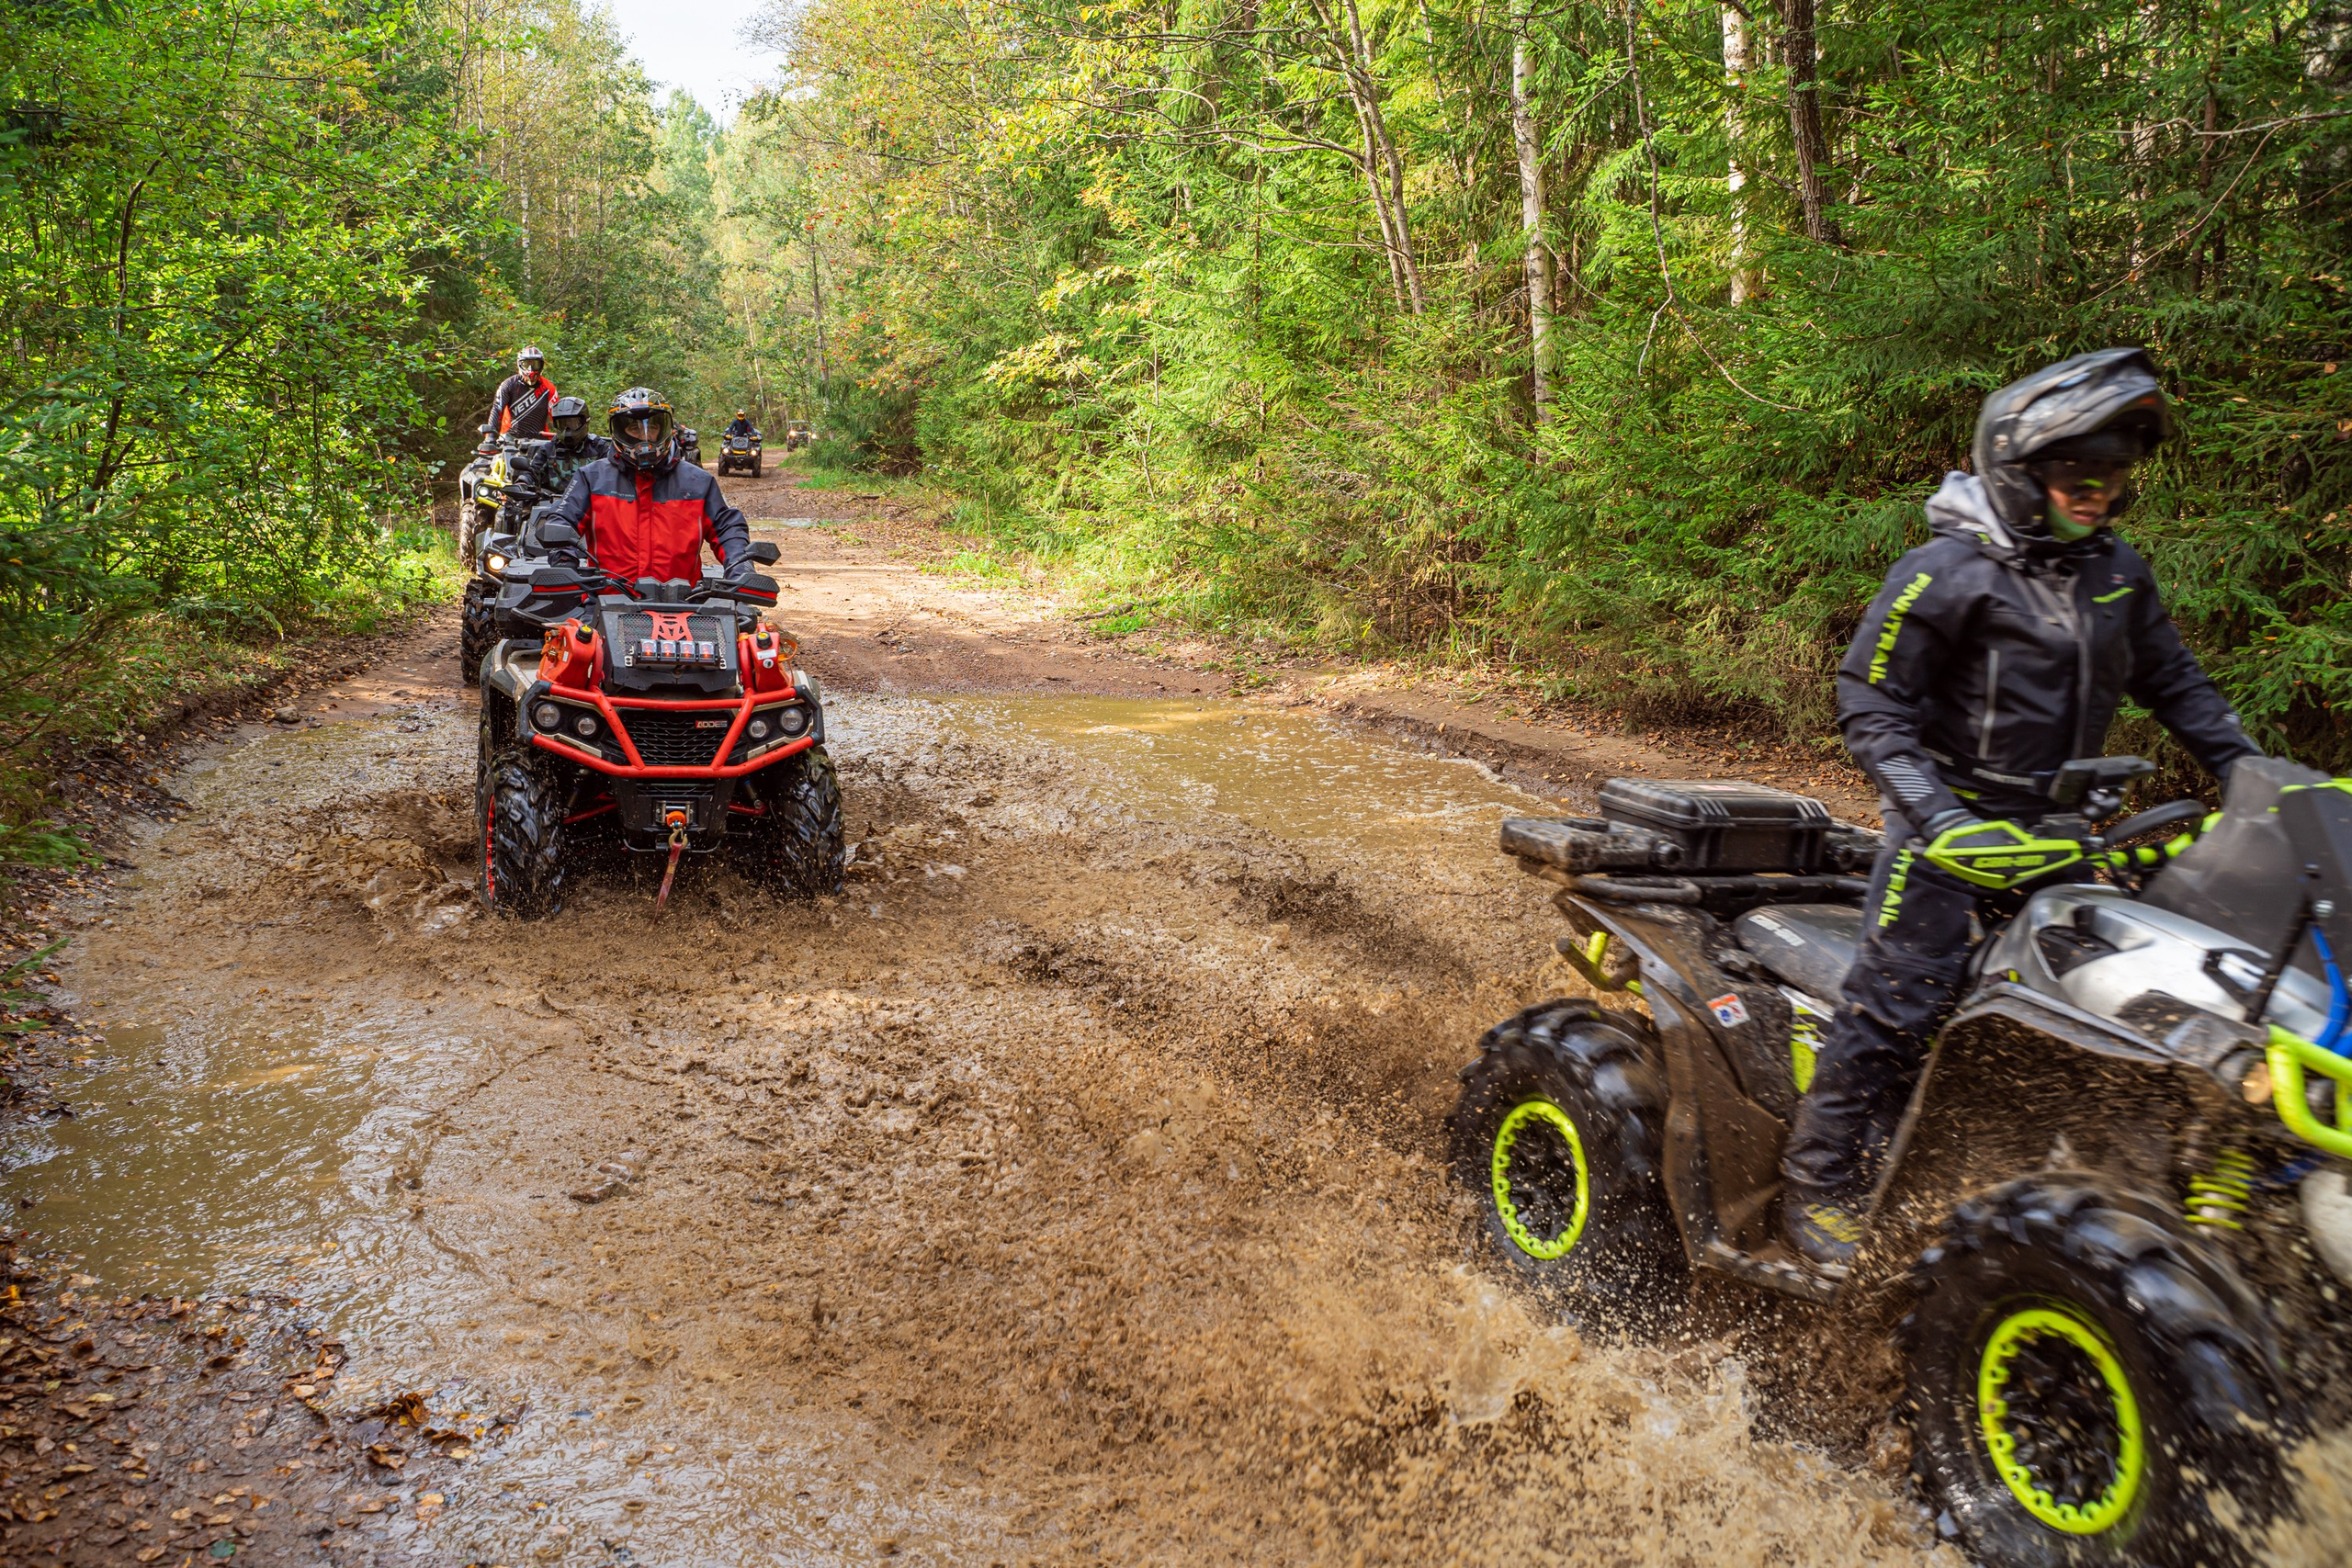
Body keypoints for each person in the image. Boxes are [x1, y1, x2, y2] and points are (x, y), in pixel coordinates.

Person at [1780, 346, 2262, 1270]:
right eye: (2079, 472)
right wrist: (1939, 820)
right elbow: (1870, 705)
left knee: (2100, 1013)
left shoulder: (2116, 573)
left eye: (2116, 474)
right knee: (1897, 999)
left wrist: (2259, 779)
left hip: (2062, 834)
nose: (2099, 490)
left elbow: (2181, 690)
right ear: (2018, 469)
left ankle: (2051, 1192)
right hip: (1946, 832)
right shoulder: (1946, 570)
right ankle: (1821, 1182)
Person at [541, 387, 752, 585]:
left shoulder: (698, 482)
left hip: (686, 606)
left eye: (652, 427)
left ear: (664, 428)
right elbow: (562, 521)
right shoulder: (591, 478)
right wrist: (564, 564)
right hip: (606, 603)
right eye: (634, 428)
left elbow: (727, 529)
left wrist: (741, 569)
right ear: (620, 432)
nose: (645, 436)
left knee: (743, 623)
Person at [488, 345, 558, 439]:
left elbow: (557, 416)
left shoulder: (548, 388)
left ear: (541, 365)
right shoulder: (509, 385)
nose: (531, 369)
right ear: (519, 364)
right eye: (527, 364)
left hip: (540, 440)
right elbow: (497, 410)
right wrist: (490, 437)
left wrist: (565, 435)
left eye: (535, 364)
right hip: (509, 439)